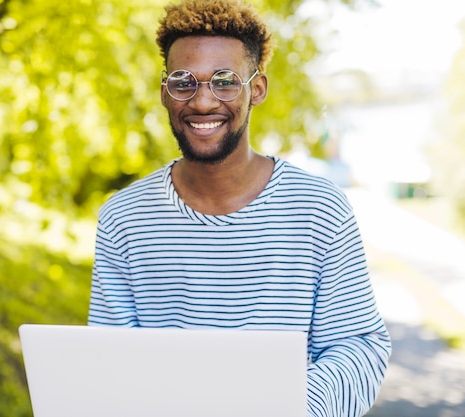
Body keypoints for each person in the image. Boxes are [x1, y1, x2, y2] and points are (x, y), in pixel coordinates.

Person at [87, 0, 391, 416]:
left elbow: (358, 347)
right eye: (184, 82)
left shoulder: (320, 209)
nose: (203, 102)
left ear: (257, 89)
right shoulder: (124, 217)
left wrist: (283, 407)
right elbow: (109, 359)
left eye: (225, 81)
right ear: (165, 93)